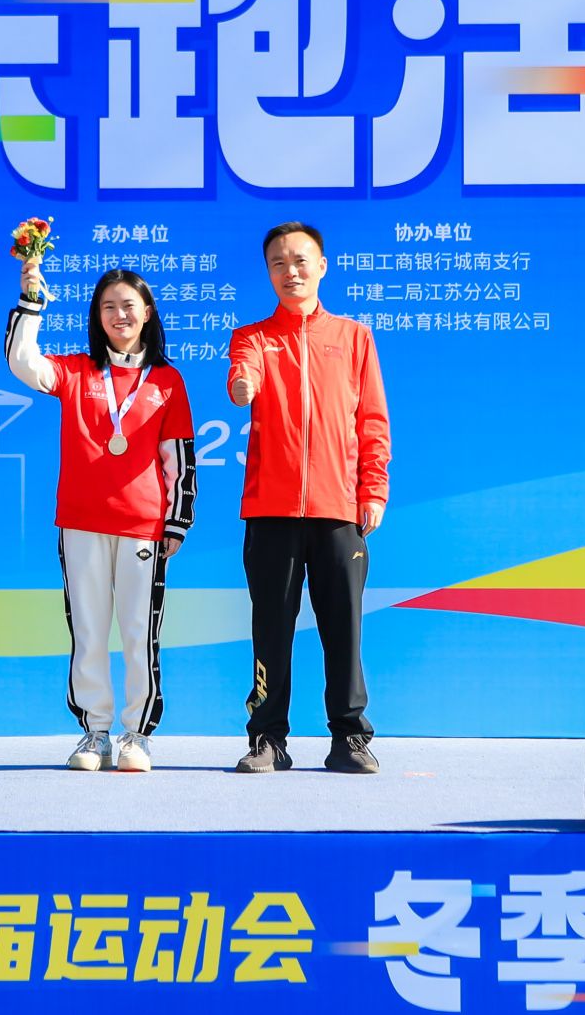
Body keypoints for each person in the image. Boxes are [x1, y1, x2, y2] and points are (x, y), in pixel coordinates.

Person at [6, 258, 196, 772]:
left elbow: (179, 458)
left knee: (139, 632)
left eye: (128, 305)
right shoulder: (76, 371)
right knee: (88, 631)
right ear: (96, 316)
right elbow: (23, 363)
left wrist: (177, 520)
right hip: (81, 521)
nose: (119, 315)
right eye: (107, 306)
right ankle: (95, 733)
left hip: (143, 525)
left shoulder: (167, 381)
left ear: (148, 312)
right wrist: (31, 301)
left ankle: (137, 734)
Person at [226, 222, 390, 774]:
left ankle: (350, 737)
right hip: (271, 510)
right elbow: (242, 374)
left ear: (322, 266)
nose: (290, 271)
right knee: (270, 629)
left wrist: (373, 489)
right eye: (278, 263)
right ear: (268, 272)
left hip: (338, 509)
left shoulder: (354, 338)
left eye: (300, 261)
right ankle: (267, 738)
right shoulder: (253, 337)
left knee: (343, 629)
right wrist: (243, 385)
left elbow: (372, 420)